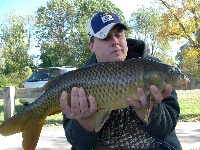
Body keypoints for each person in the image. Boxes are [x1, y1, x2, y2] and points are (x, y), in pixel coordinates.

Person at [59, 12, 182, 150]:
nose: (115, 41)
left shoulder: (153, 68)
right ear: (91, 46)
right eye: (105, 37)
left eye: (118, 35)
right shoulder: (77, 81)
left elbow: (168, 125)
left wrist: (149, 111)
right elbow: (78, 143)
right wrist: (85, 121)